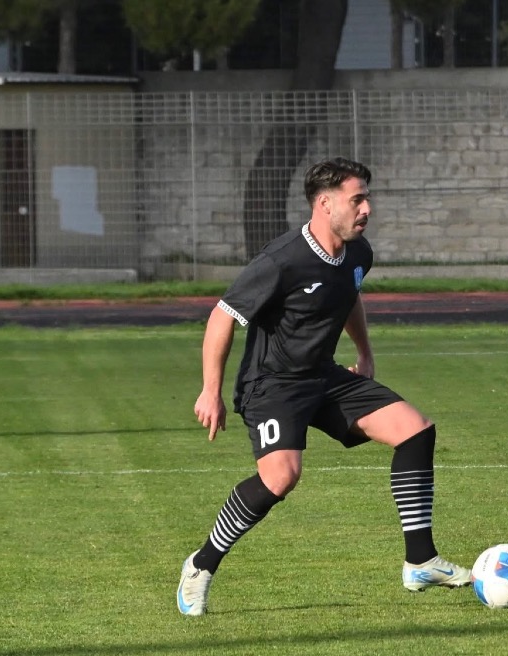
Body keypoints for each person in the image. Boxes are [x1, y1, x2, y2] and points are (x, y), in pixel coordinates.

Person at [177, 157, 470, 617]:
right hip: (272, 385)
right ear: (325, 203)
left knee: (415, 430)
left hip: (324, 376)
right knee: (281, 478)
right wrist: (209, 391)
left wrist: (365, 353)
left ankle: (420, 561)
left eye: (367, 198)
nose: (366, 208)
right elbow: (222, 317)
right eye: (357, 199)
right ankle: (201, 564)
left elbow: (349, 294)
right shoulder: (282, 259)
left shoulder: (358, 253)